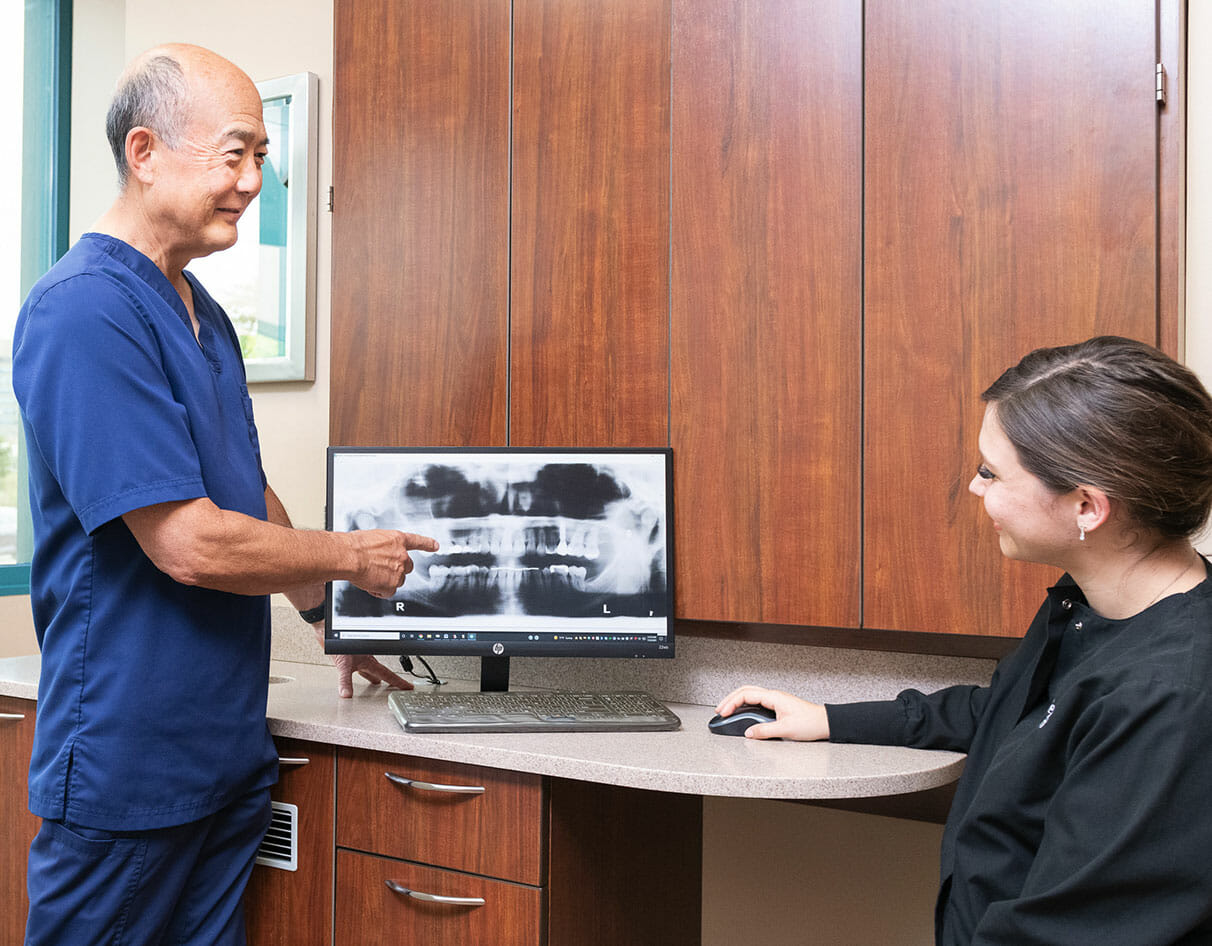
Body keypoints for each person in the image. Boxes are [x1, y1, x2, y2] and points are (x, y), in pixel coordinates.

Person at [12, 44, 437, 945]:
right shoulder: (83, 309)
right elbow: (192, 542)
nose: (252, 181)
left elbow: (245, 494)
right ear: (145, 151)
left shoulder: (198, 310)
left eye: (262, 159)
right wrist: (353, 554)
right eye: (235, 153)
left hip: (222, 755)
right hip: (131, 769)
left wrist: (329, 615)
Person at [716, 336, 1212, 945]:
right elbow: (1012, 713)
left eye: (991, 472)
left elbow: (1066, 933)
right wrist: (830, 717)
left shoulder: (1171, 698)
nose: (976, 490)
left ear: (1086, 506)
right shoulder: (1089, 604)